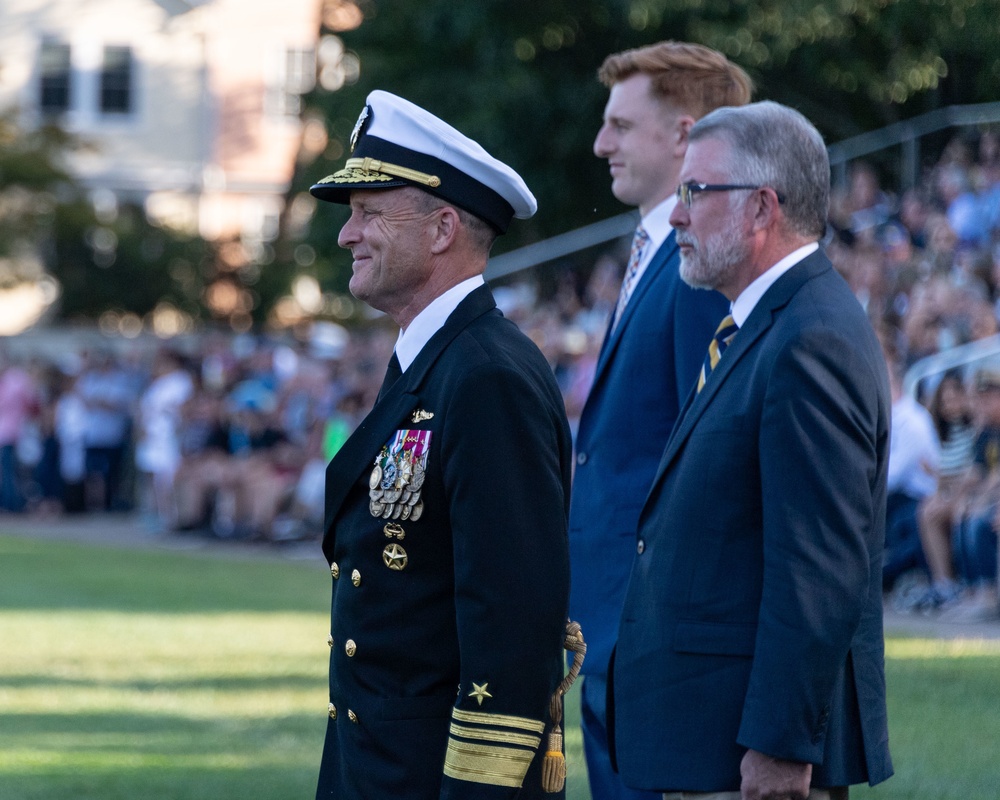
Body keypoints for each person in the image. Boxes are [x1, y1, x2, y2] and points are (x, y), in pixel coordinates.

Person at [610, 101, 894, 797]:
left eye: (695, 193)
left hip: (745, 757)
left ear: (762, 209)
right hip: (707, 735)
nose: (675, 215)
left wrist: (778, 745)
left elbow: (818, 566)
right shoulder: (765, 325)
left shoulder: (810, 338)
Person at [309, 91, 572, 799]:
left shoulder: (486, 375)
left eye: (369, 213)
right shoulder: (438, 359)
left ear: (442, 228)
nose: (347, 235)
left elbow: (512, 622)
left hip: (437, 778)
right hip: (382, 766)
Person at [570, 41, 751, 800]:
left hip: (649, 631)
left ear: (684, 133)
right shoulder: (654, 247)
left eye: (619, 124)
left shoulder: (699, 260)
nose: (600, 143)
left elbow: (698, 456)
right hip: (614, 623)